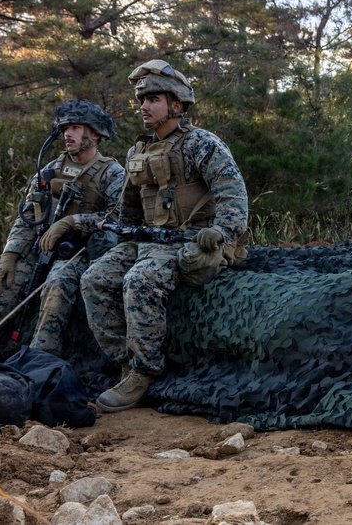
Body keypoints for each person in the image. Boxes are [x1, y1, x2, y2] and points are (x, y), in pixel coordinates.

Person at [81, 59, 249, 413]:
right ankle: (125, 362)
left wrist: (222, 230)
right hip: (146, 240)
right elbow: (128, 206)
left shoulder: (201, 143)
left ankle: (145, 372)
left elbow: (232, 192)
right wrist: (106, 232)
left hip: (185, 240)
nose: (143, 106)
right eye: (142, 99)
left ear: (176, 104)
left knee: (139, 281)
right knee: (94, 279)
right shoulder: (137, 152)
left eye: (152, 98)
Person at [0, 100, 125, 357]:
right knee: (0, 289)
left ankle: (38, 360)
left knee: (57, 284)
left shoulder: (112, 173)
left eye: (76, 127)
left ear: (95, 133)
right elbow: (27, 216)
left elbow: (119, 218)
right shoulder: (50, 170)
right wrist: (10, 256)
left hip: (80, 253)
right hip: (39, 249)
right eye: (65, 128)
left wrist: (73, 222)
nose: (67, 133)